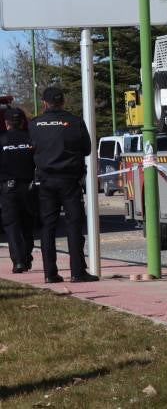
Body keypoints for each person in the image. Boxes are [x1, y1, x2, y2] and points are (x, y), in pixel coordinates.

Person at [30, 87, 95, 283]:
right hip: (69, 180)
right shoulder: (75, 122)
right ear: (63, 101)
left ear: (44, 103)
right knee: (74, 225)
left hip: (45, 180)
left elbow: (30, 149)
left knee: (47, 227)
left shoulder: (34, 124)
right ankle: (77, 271)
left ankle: (50, 273)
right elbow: (87, 149)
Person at [0, 108, 37, 273]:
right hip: (29, 187)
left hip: (8, 188)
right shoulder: (31, 139)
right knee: (27, 224)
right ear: (22, 122)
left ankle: (18, 261)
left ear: (6, 123)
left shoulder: (2, 139)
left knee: (12, 225)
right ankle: (27, 257)